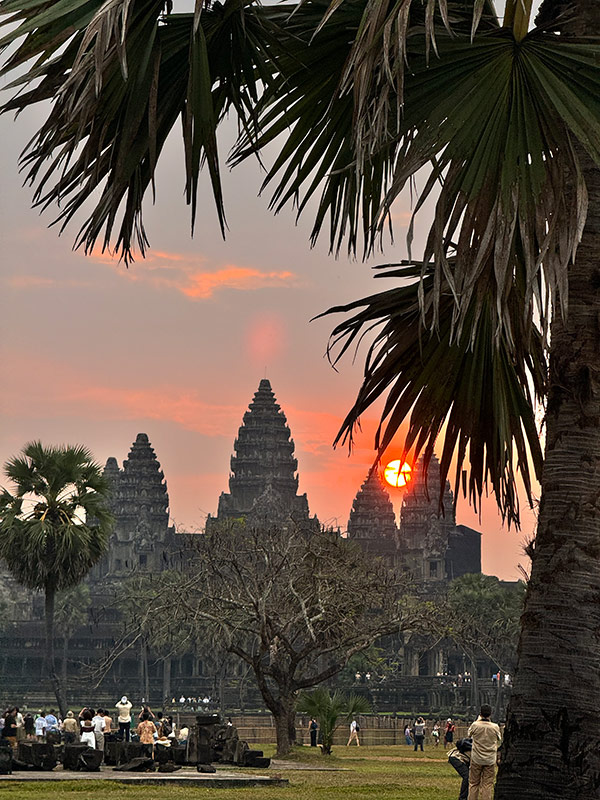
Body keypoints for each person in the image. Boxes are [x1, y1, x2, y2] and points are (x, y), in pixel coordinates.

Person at [467, 704, 502, 800]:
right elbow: (499, 738)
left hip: (476, 758)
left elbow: (469, 734)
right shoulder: (495, 727)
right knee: (487, 784)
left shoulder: (475, 725)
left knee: (473, 783)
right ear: (491, 714)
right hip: (490, 759)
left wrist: (479, 719)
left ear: (480, 713)